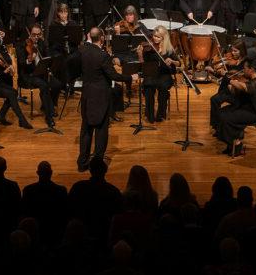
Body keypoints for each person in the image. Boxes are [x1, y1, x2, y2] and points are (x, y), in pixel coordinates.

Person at [77, 27, 137, 171]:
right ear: (102, 39)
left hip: (86, 95)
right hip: (100, 97)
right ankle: (97, 164)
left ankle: (82, 163)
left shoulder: (82, 51)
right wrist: (130, 77)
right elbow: (114, 76)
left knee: (86, 129)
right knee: (101, 130)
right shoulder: (102, 55)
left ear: (90, 37)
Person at [216, 59, 256, 157]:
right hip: (247, 109)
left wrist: (230, 80)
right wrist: (230, 85)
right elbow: (242, 91)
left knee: (226, 117)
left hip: (254, 114)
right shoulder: (253, 81)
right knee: (221, 112)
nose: (243, 70)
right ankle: (231, 144)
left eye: (245, 68)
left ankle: (237, 144)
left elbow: (245, 88)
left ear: (251, 69)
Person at [137, 25, 179, 123]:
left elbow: (179, 63)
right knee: (148, 87)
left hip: (164, 74)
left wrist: (172, 61)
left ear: (164, 38)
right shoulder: (148, 48)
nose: (155, 38)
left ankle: (161, 113)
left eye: (158, 37)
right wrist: (140, 54)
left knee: (163, 87)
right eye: (154, 36)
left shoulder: (169, 49)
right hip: (151, 74)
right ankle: (150, 114)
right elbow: (143, 65)